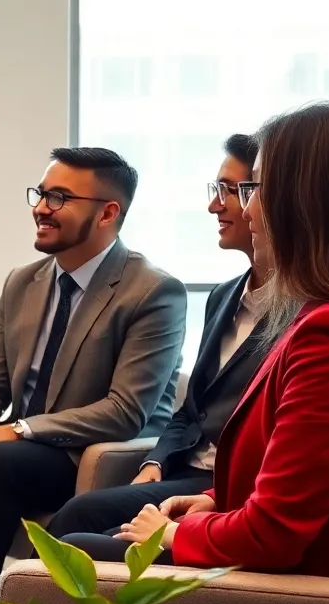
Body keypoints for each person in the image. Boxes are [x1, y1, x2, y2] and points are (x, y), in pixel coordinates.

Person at [65, 102, 329, 578]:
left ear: (302, 201)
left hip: (283, 595)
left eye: (254, 189)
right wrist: (212, 500)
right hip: (248, 547)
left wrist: (174, 534)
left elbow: (274, 535)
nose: (248, 208)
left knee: (69, 553)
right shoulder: (320, 317)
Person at [0, 147, 186, 602]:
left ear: (108, 212)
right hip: (19, 445)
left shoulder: (152, 291)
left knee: (2, 463)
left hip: (93, 452)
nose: (40, 207)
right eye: (41, 193)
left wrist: (12, 432)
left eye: (59, 198)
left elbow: (125, 411)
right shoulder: (22, 281)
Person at [47, 134, 272, 539]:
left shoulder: (301, 315)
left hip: (229, 488)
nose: (213, 204)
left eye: (231, 190)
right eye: (215, 189)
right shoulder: (224, 297)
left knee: (80, 531)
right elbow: (190, 411)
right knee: (77, 517)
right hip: (183, 473)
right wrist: (155, 461)